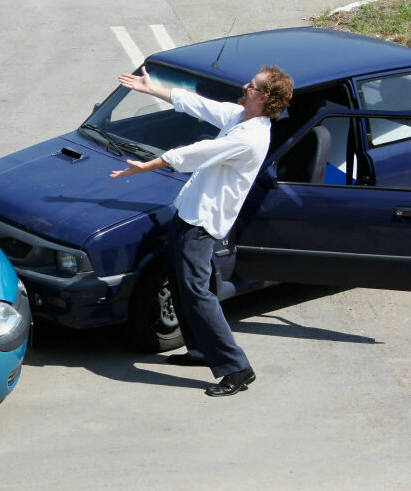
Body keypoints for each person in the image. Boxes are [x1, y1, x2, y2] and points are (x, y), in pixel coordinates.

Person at [111, 65, 293, 397]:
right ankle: (199, 351)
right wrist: (151, 89)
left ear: (263, 97)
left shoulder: (250, 137)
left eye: (251, 85)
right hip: (189, 212)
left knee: (197, 293)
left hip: (202, 223)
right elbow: (197, 104)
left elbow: (198, 153)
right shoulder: (240, 117)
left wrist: (147, 165)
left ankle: (237, 368)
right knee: (184, 285)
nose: (244, 84)